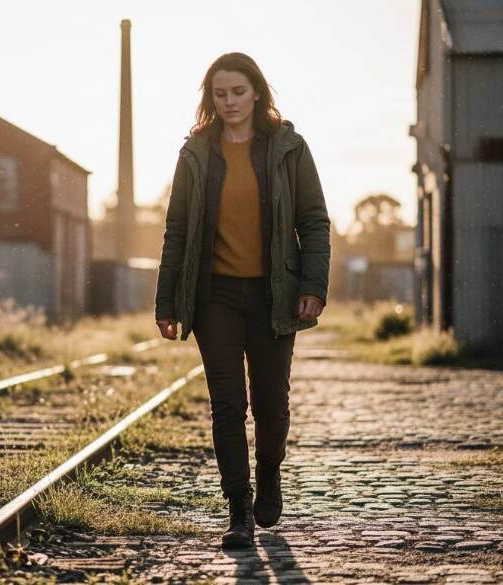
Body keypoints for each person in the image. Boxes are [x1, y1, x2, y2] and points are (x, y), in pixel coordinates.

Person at [154, 52, 330, 550]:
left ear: (256, 93)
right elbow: (177, 231)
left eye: (237, 92)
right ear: (210, 99)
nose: (228, 102)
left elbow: (313, 220)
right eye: (219, 93)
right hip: (215, 297)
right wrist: (166, 302)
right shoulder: (196, 154)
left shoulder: (288, 148)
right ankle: (238, 511)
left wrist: (313, 287)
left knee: (271, 407)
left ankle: (269, 473)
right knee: (227, 406)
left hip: (274, 294)